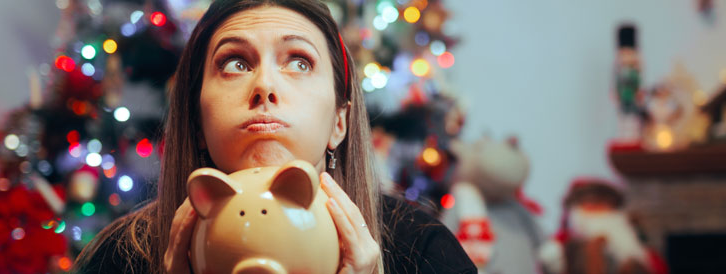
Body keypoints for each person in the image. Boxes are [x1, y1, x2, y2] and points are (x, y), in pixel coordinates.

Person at [72, 0, 475, 273]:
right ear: (196, 121)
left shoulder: (422, 250)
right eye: (234, 63)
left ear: (340, 121)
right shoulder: (120, 258)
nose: (264, 85)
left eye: (299, 62)